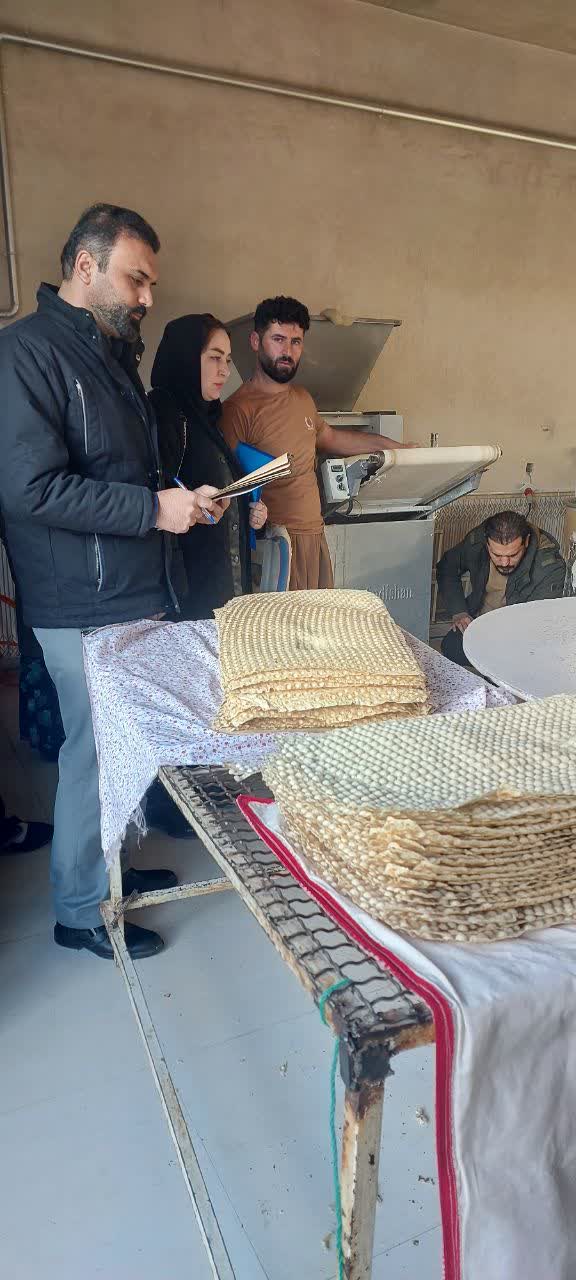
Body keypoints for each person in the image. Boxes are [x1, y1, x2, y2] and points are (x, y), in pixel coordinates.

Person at [0, 203, 229, 960]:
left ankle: (111, 875)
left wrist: (179, 498)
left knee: (124, 744)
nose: (146, 297)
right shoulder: (26, 354)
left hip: (128, 591)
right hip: (80, 603)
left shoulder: (109, 355)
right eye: (136, 279)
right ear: (85, 265)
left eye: (150, 283)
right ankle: (79, 909)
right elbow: (31, 490)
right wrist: (151, 510)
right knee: (93, 754)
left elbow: (124, 473)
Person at [221, 296, 414, 591]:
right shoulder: (238, 410)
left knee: (319, 620)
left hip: (315, 539)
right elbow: (227, 491)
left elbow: (334, 438)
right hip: (276, 546)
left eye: (296, 342)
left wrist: (396, 449)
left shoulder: (302, 398)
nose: (287, 351)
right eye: (278, 339)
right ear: (256, 341)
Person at [150, 313, 267, 618]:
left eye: (227, 360)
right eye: (215, 358)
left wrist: (251, 514)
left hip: (223, 589)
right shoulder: (164, 415)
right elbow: (157, 500)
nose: (225, 370)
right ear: (187, 357)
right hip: (191, 598)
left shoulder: (208, 420)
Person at [437, 510, 566, 667]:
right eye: (497, 555)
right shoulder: (477, 540)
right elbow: (447, 567)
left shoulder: (549, 566)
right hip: (481, 620)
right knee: (451, 647)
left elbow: (538, 625)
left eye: (513, 555)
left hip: (519, 634)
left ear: (526, 542)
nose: (504, 563)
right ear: (487, 544)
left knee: (512, 665)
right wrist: (459, 611)